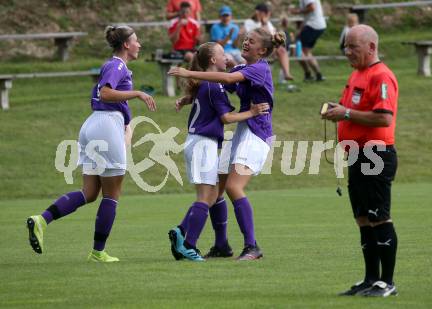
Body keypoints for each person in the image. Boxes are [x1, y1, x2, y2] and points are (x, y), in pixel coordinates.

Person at [26, 25, 156, 263]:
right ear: (126, 44)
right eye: (136, 41)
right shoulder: (117, 65)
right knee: (112, 194)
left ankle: (42, 220)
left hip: (94, 124)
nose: (139, 44)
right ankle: (97, 252)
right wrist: (138, 94)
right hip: (106, 124)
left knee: (89, 193)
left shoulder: (113, 65)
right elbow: (106, 93)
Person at [169, 28, 285, 260]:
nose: (245, 43)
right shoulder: (243, 69)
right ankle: (214, 242)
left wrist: (188, 71)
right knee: (216, 189)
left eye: (250, 41)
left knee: (233, 187)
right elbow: (218, 86)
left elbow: (228, 79)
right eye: (245, 39)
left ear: (262, 50)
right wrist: (190, 97)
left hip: (257, 133)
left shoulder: (260, 68)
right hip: (243, 131)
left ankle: (252, 246)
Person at [321, 25, 399, 297]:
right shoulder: (357, 74)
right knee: (363, 219)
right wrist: (337, 111)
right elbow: (351, 111)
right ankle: (370, 279)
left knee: (379, 218)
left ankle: (387, 283)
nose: (347, 51)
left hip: (376, 154)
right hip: (356, 154)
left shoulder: (382, 76)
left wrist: (347, 114)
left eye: (353, 46)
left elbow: (384, 117)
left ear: (371, 47)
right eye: (345, 46)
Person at [243, 3, 294, 81]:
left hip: (267, 46)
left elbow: (272, 35)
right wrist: (263, 24)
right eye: (259, 12)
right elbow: (252, 36)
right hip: (255, 46)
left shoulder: (267, 22)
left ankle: (286, 73)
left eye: (262, 13)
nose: (260, 15)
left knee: (282, 50)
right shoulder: (249, 22)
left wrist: (265, 23)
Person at [291, 0, 326, 81]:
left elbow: (312, 7)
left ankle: (308, 74)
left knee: (298, 50)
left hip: (313, 25)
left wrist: (297, 11)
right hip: (316, 25)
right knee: (306, 52)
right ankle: (318, 75)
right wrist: (301, 28)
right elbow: (308, 15)